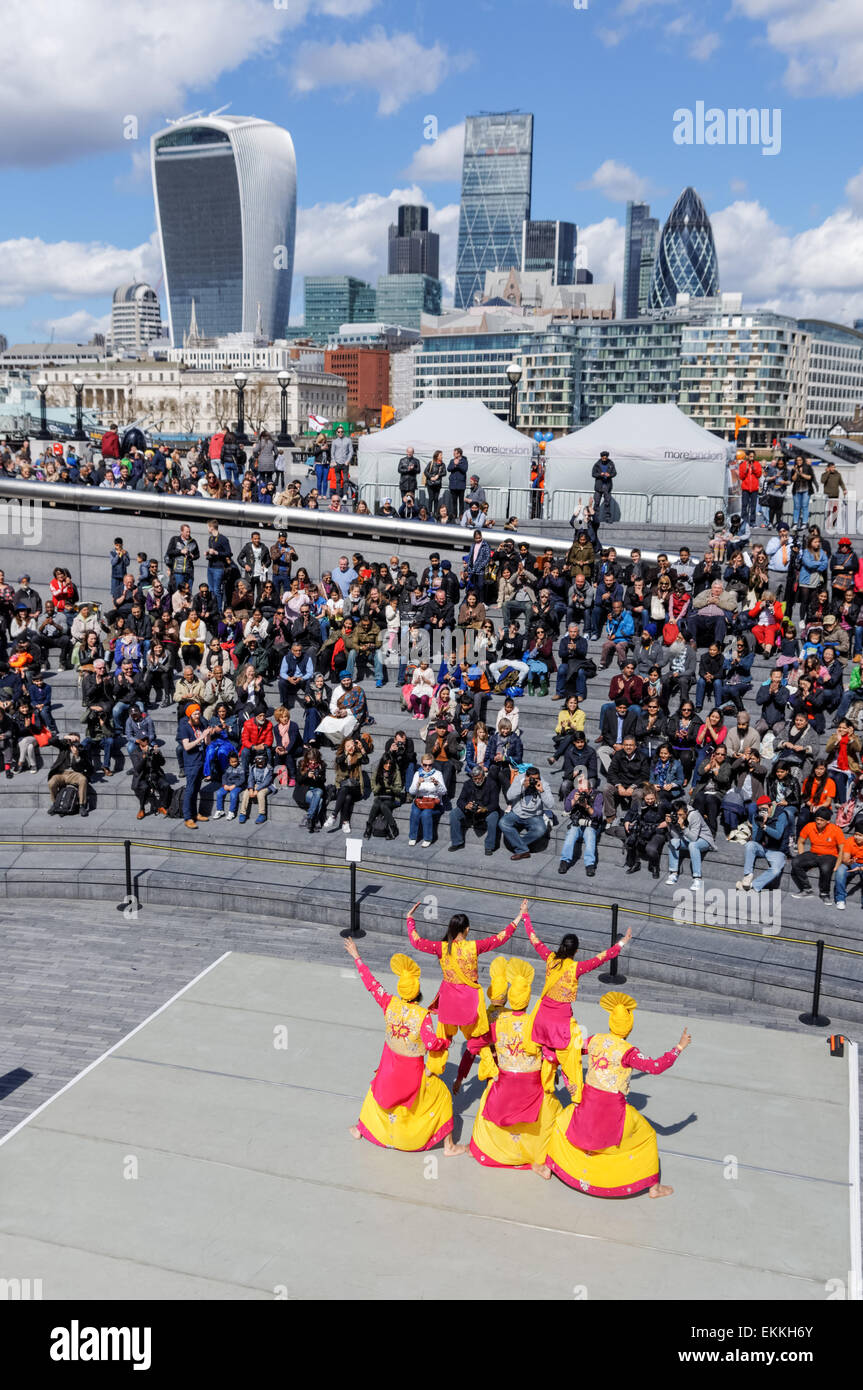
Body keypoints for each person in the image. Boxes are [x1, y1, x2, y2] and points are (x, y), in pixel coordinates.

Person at [540, 992, 691, 1198]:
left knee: (560, 1123)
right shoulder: (629, 1052)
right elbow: (655, 1067)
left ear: (611, 1021)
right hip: (613, 1111)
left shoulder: (594, 1040)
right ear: (629, 1026)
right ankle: (654, 1188)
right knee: (648, 1136)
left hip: (586, 1106)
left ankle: (548, 1168)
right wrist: (679, 1047)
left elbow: (568, 1049)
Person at [344, 938, 463, 1154]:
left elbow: (372, 985)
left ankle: (360, 1128)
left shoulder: (389, 1003)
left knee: (374, 1088)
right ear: (417, 991)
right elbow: (431, 1043)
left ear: (401, 989)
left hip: (388, 1070)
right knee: (443, 1095)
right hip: (411, 1077)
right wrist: (446, 1042)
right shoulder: (422, 1016)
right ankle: (449, 1146)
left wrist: (357, 957)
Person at [406, 897, 524, 1077]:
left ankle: (430, 1072)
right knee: (479, 1040)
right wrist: (519, 916)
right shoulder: (474, 947)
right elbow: (500, 938)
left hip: (448, 1003)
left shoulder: (441, 947)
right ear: (467, 929)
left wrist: (410, 919)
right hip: (470, 1004)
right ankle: (493, 1073)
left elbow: (417, 941)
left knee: (443, 1039)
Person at [469, 958, 564, 1174]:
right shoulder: (536, 1023)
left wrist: (491, 1056)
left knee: (486, 1099)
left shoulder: (499, 1022)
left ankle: (485, 1150)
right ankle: (540, 1162)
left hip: (504, 1085)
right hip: (531, 1088)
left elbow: (474, 1044)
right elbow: (552, 1052)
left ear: (510, 997)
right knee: (553, 1111)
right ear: (528, 999)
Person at [524, 916, 631, 1076]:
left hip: (542, 1018)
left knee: (546, 1049)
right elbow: (601, 958)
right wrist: (622, 942)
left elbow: (534, 940)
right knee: (569, 1058)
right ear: (576, 951)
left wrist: (525, 916)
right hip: (561, 1022)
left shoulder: (550, 959)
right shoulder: (576, 968)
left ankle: (546, 1066)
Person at [500, 766, 554, 861]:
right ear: (526, 776)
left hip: (534, 816)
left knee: (541, 829)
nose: (535, 781)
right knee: (503, 823)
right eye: (533, 779)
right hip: (517, 813)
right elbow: (509, 796)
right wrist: (523, 787)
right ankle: (522, 849)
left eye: (537, 778)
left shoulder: (543, 784)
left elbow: (550, 805)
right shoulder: (519, 779)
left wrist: (542, 791)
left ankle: (519, 847)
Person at [790, 807, 844, 901]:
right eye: (817, 819)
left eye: (821, 820)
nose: (818, 822)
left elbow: (842, 849)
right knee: (796, 862)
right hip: (814, 853)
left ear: (828, 821)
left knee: (825, 868)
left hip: (830, 855)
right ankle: (807, 889)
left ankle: (824, 893)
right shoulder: (810, 826)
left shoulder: (836, 830)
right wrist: (802, 856)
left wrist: (837, 865)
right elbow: (800, 841)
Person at [449, 764, 501, 856]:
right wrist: (466, 806)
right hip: (471, 811)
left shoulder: (492, 784)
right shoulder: (467, 784)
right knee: (454, 813)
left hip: (486, 810)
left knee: (494, 817)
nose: (477, 781)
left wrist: (485, 809)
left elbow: (495, 804)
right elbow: (460, 801)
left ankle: (489, 846)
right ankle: (457, 842)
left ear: (484, 776)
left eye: (479, 778)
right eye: (475, 779)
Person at [177, 703, 212, 828]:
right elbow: (186, 746)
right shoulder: (185, 727)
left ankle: (195, 813)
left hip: (201, 760)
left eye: (199, 713)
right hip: (191, 762)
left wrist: (207, 734)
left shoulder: (201, 724)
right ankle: (188, 818)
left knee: (196, 789)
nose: (198, 716)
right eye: (195, 714)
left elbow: (207, 743)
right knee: (190, 790)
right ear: (190, 715)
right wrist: (200, 738)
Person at [46, 732, 91, 817]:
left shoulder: (82, 750)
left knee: (83, 780)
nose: (74, 743)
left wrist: (77, 756)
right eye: (72, 740)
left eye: (76, 740)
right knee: (52, 782)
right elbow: (51, 741)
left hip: (75, 774)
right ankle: (55, 803)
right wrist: (66, 737)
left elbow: (88, 767)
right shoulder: (64, 747)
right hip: (62, 773)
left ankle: (82, 806)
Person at [407, 755, 447, 846]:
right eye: (425, 765)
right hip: (420, 801)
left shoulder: (438, 774)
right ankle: (413, 837)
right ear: (421, 764)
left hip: (433, 802)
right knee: (415, 812)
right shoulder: (418, 774)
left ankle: (428, 838)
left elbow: (444, 792)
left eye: (430, 765)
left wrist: (437, 784)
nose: (427, 767)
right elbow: (411, 792)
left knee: (426, 813)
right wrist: (417, 784)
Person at [239, 750, 273, 824]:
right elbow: (250, 779)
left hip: (266, 786)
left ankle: (262, 814)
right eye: (258, 762)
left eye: (262, 762)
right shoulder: (253, 768)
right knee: (246, 793)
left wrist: (257, 790)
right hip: (255, 785)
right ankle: (243, 813)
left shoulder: (269, 768)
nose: (260, 764)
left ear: (265, 761)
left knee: (260, 794)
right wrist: (251, 789)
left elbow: (267, 782)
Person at [591, 450, 616, 522]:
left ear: (607, 457)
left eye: (605, 458)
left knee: (607, 502)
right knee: (596, 502)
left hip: (607, 486)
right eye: (603, 458)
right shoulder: (597, 464)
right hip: (599, 486)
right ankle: (595, 518)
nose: (604, 459)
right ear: (601, 457)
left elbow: (614, 473)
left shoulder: (611, 464)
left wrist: (610, 475)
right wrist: (600, 474)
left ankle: (607, 518)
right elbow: (593, 474)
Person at [447, 446, 468, 514]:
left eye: (455, 453)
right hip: (453, 485)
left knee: (461, 501)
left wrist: (458, 464)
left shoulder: (464, 461)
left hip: (461, 485)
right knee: (454, 501)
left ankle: (461, 515)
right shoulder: (452, 461)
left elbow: (465, 469)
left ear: (459, 454)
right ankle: (454, 515)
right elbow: (449, 469)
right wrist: (454, 465)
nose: (453, 454)